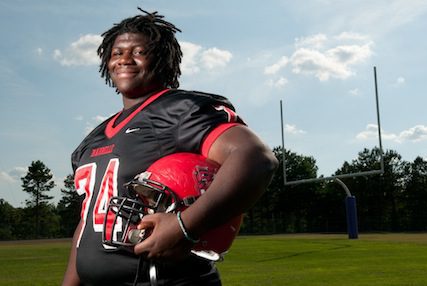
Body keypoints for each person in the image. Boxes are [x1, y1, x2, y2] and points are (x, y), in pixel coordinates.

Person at [62, 8, 278, 286]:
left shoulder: (180, 109)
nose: (125, 59)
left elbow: (254, 158)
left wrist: (185, 226)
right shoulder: (92, 140)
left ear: (161, 59)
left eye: (138, 51)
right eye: (117, 53)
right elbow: (88, 223)